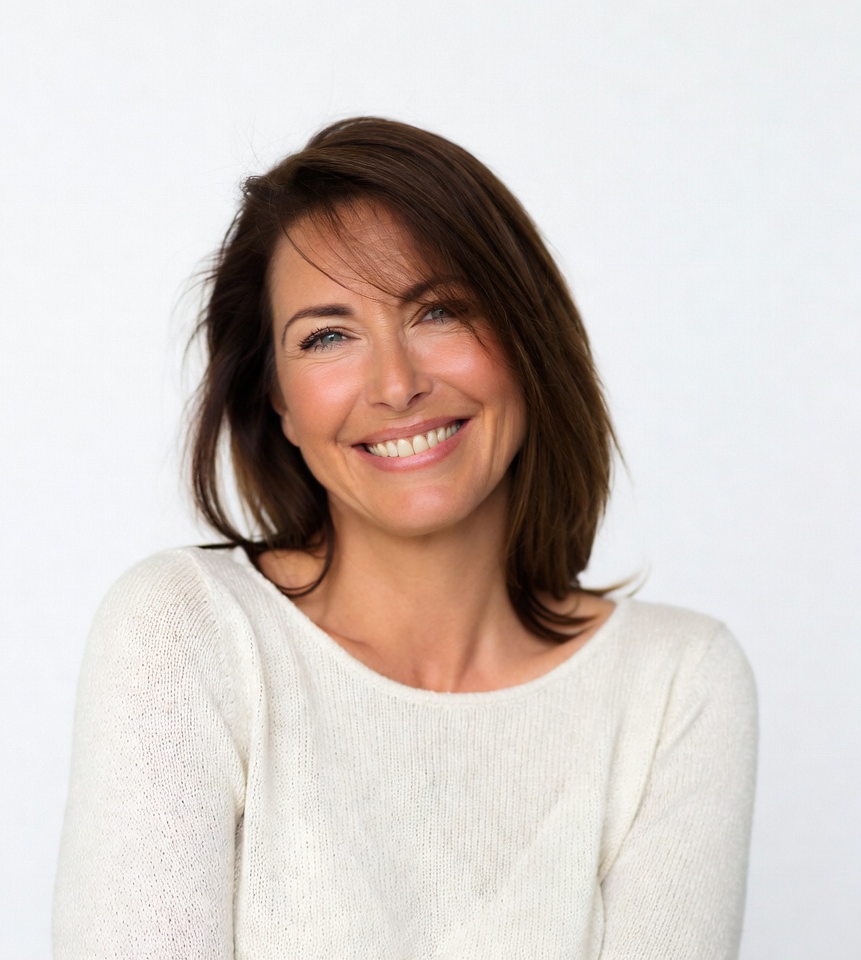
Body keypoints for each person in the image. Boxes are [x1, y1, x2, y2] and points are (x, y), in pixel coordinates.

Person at [53, 117, 757, 959]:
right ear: (277, 400)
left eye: (439, 311)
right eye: (327, 336)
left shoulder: (678, 685)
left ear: (526, 340)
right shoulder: (188, 632)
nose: (397, 384)